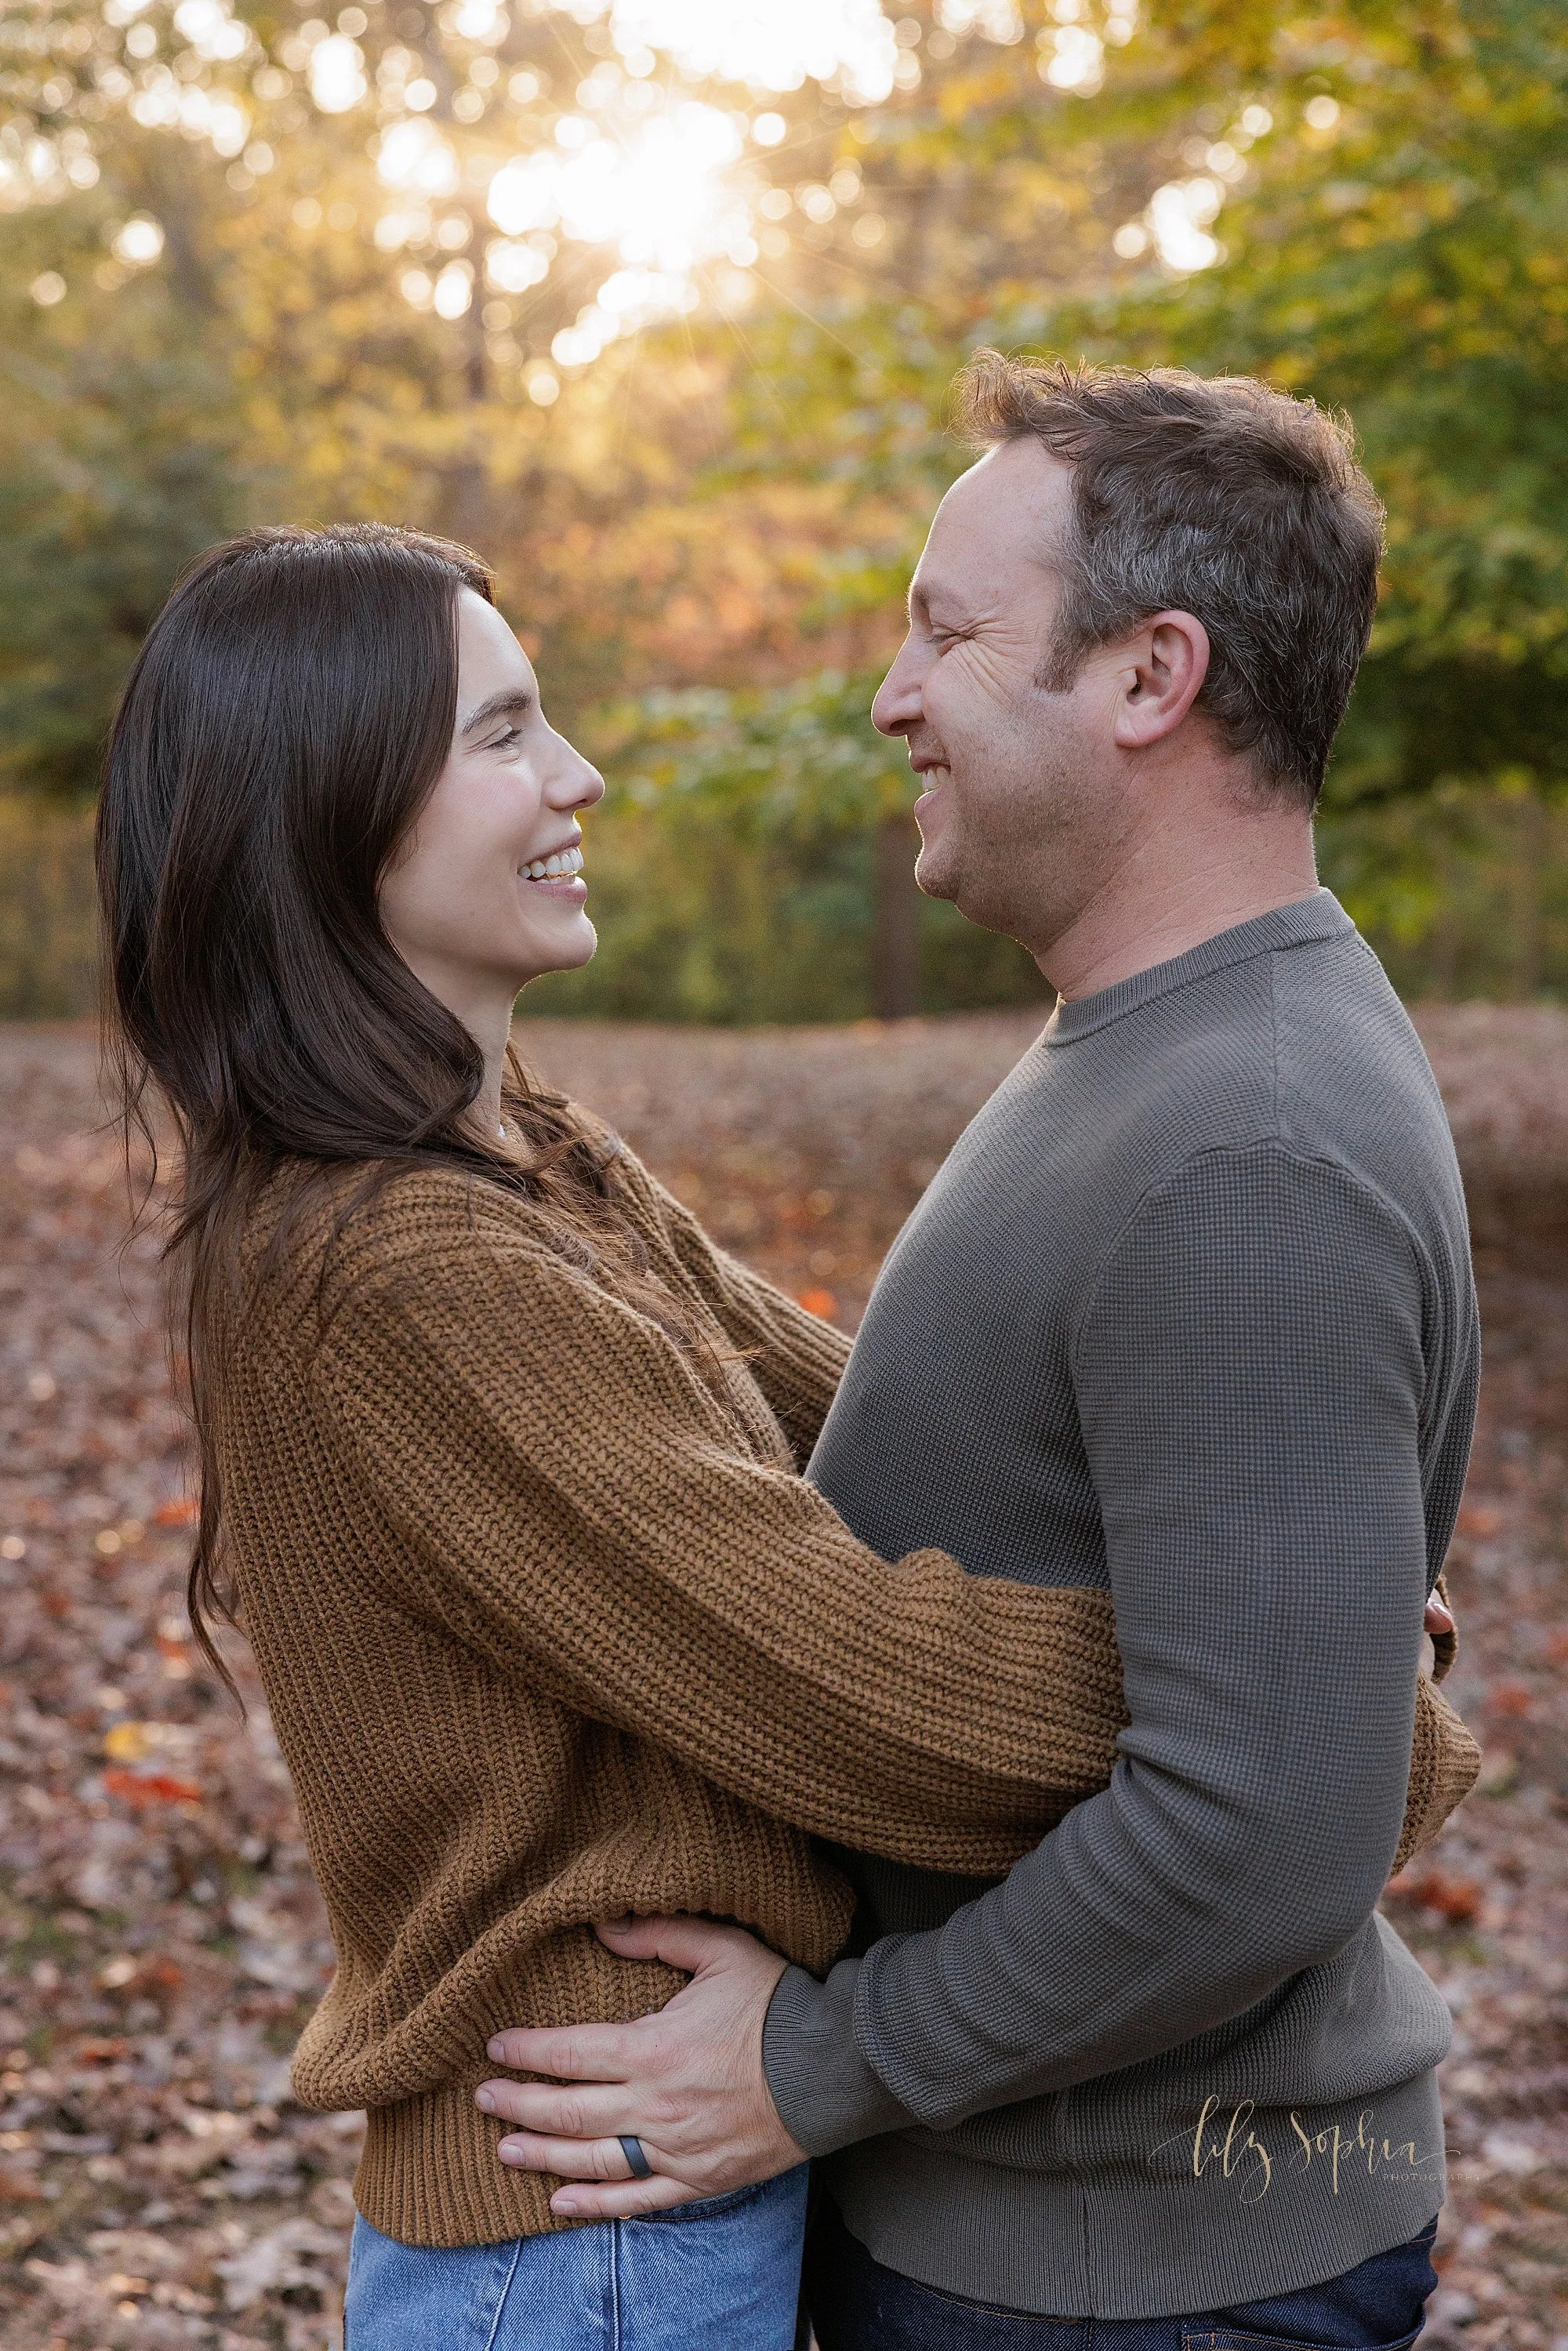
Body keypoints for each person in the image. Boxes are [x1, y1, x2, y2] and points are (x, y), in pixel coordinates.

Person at [96, 518, 1236, 2351]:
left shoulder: (528, 1160)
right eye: (501, 732)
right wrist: (1273, 1677)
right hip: (587, 2236)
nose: (580, 773)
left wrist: (1222, 1534)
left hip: (634, 2195)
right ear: (325, 805)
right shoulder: (397, 1269)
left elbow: (864, 1447)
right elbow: (849, 1678)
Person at [474, 358, 1482, 2351]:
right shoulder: (1153, 1044)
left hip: (1128, 2279)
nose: (890, 691)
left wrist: (815, 2062)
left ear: (1147, 677)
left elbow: (1257, 1829)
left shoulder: (1247, 1141)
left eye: (947, 630)